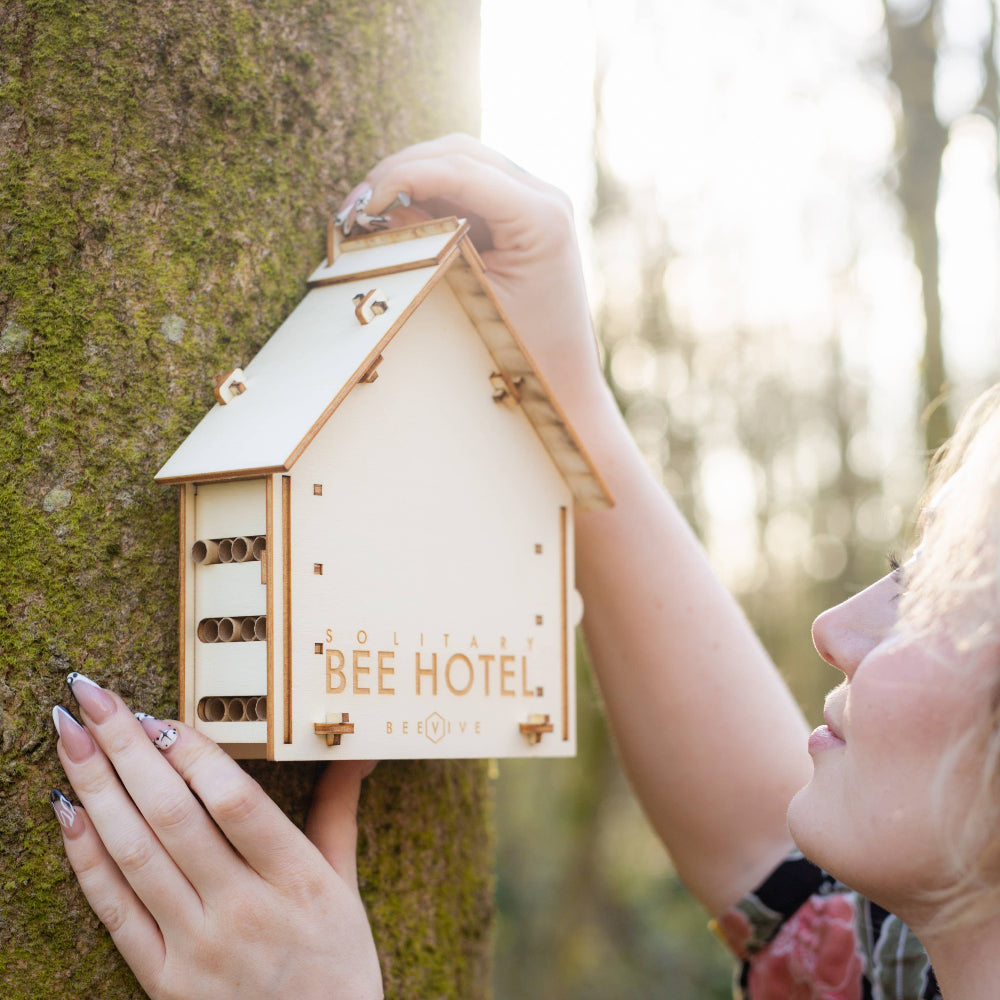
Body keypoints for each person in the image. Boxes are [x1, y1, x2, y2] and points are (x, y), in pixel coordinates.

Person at [50, 135, 1000, 1000]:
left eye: (936, 592)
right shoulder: (913, 963)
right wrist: (552, 383)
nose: (832, 628)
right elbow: (782, 885)